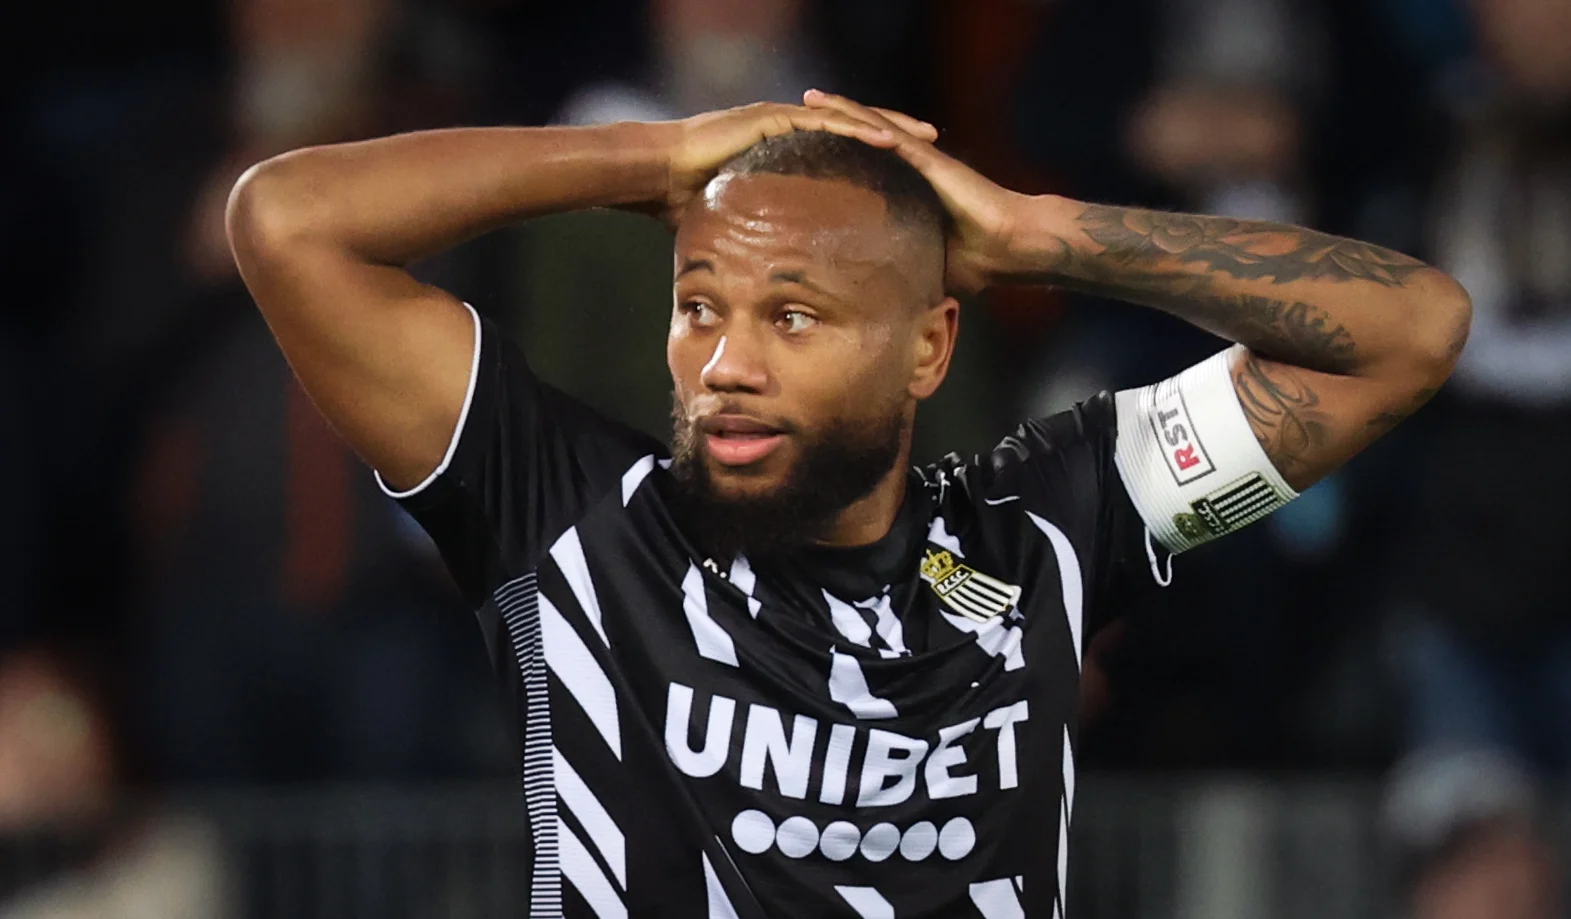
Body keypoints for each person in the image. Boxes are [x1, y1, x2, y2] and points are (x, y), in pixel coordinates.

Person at [225, 92, 1470, 917]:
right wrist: (654, 159)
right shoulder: (571, 521)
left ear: (928, 350)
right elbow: (286, 221)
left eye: (794, 317)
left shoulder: (1046, 524)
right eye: (699, 305)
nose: (726, 365)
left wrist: (1039, 234)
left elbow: (1410, 330)